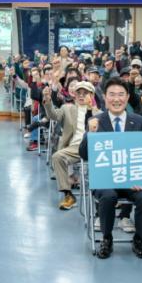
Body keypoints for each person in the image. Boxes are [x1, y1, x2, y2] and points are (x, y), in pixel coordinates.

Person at [78, 77, 142, 259]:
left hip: (131, 179)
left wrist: (141, 178)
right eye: (112, 94)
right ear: (104, 97)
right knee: (108, 196)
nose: (116, 99)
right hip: (104, 179)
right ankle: (107, 238)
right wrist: (90, 134)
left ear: (127, 97)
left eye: (121, 94)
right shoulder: (95, 121)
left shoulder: (139, 121)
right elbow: (84, 154)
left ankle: (139, 239)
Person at [43, 81, 100, 210]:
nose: (81, 96)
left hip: (95, 147)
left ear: (92, 95)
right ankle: (68, 195)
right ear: (74, 95)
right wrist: (47, 99)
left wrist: (92, 110)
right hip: (75, 147)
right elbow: (53, 115)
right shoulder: (67, 108)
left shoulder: (99, 113)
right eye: (79, 93)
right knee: (57, 156)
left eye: (85, 93)